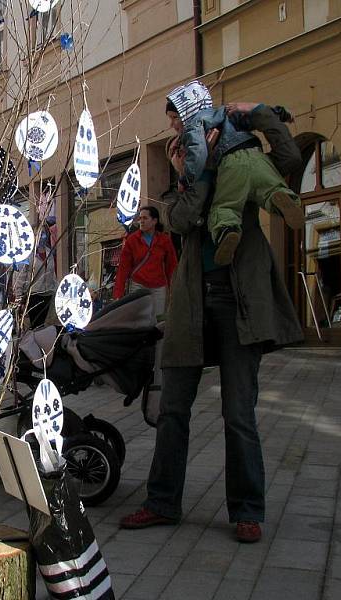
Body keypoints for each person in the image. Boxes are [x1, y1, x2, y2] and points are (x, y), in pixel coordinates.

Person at [118, 101, 304, 545]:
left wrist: (255, 112)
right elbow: (180, 220)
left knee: (238, 414)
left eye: (176, 119)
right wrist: (195, 174)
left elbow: (291, 159)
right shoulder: (183, 171)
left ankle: (247, 510)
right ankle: (162, 502)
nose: (174, 129)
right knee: (172, 409)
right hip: (192, 305)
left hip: (241, 303)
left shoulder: (247, 158)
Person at [166, 80, 304, 265]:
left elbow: (197, 155)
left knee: (225, 207)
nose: (172, 125)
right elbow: (179, 221)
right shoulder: (225, 114)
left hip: (230, 166)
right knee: (270, 188)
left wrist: (187, 178)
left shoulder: (195, 128)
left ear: (187, 113)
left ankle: (226, 230)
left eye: (175, 118)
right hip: (256, 156)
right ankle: (281, 198)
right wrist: (279, 112)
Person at [113, 206, 178, 321]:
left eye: (145, 218)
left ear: (154, 221)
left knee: (158, 320)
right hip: (138, 284)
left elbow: (171, 267)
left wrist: (174, 290)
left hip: (158, 286)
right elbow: (123, 268)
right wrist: (118, 293)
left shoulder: (164, 240)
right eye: (140, 218)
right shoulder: (132, 240)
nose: (141, 221)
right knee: (138, 319)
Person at [12, 217, 57, 330]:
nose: (43, 236)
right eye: (39, 233)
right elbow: (20, 277)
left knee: (44, 327)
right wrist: (19, 298)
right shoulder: (27, 255)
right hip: (33, 296)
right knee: (33, 328)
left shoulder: (49, 253)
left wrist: (56, 290)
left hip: (48, 295)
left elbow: (52, 274)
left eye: (44, 233)